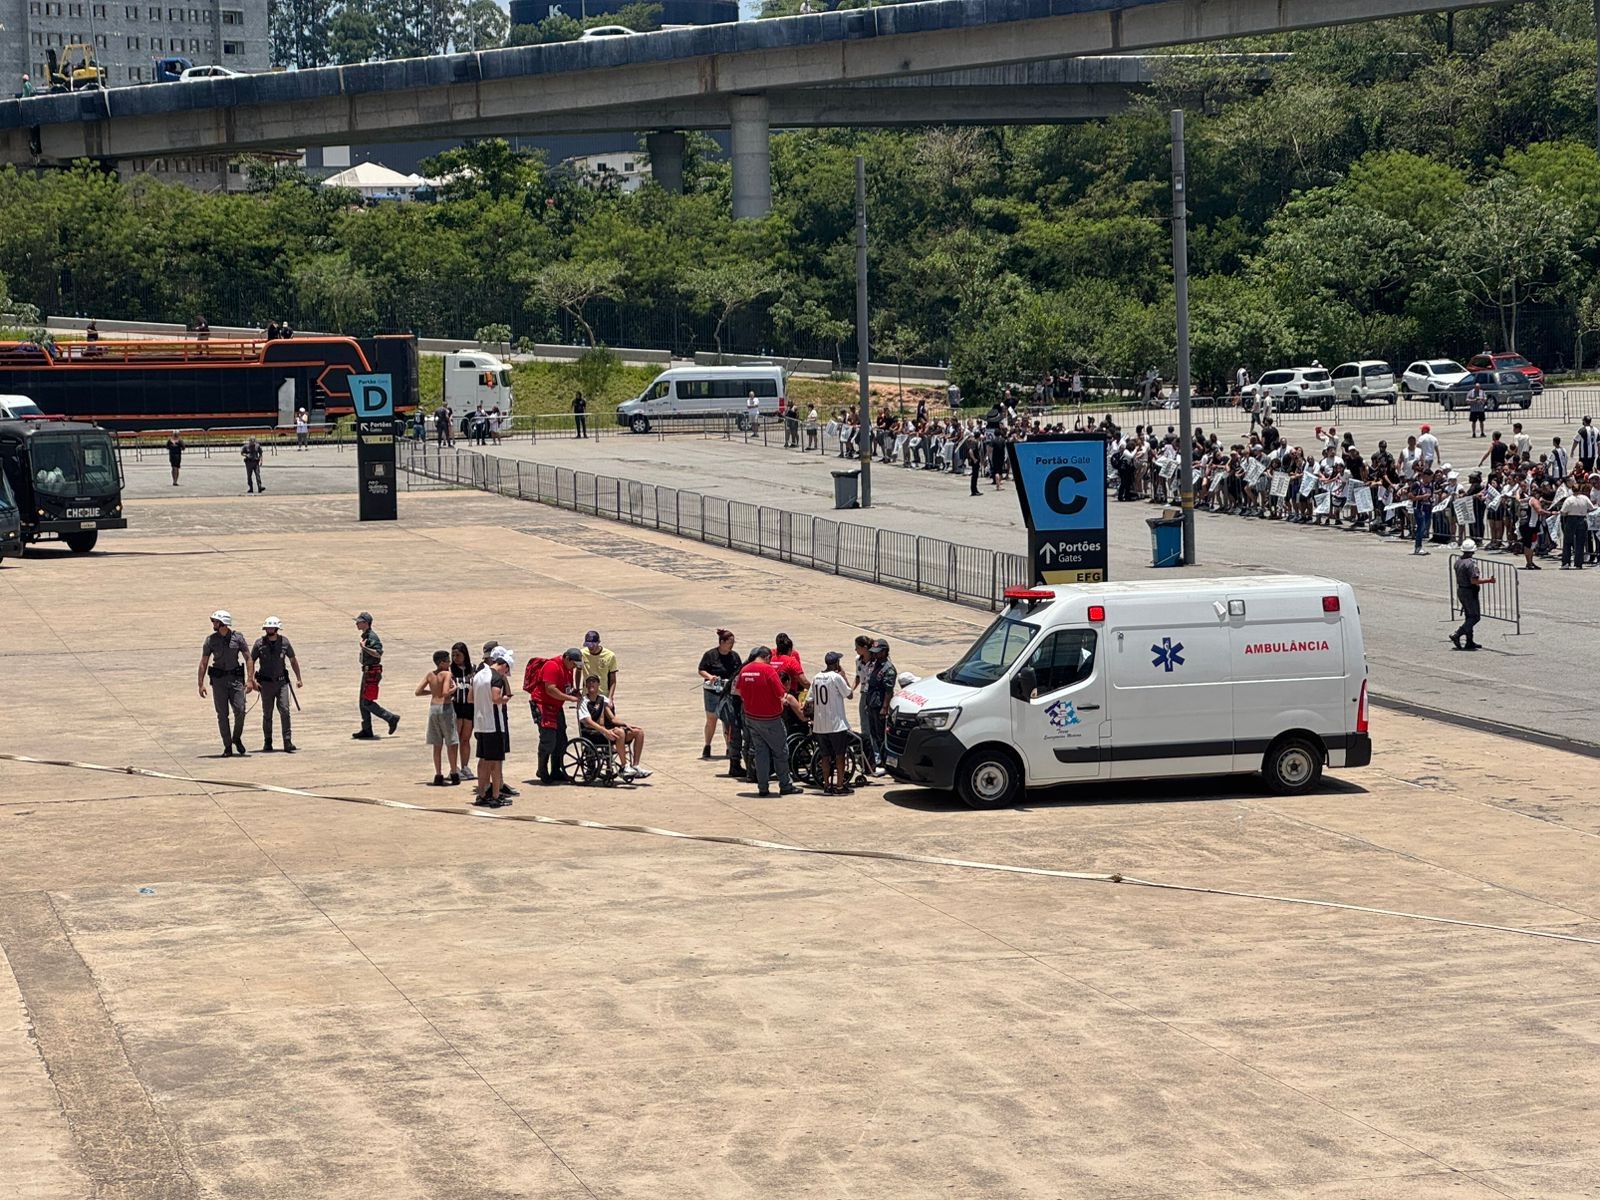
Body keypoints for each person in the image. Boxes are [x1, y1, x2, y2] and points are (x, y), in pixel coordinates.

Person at [735, 647, 798, 797]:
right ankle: (785, 785)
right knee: (780, 752)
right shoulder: (768, 671)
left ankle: (763, 787)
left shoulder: (745, 670)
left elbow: (738, 691)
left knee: (760, 752)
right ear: (767, 657)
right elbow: (780, 693)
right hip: (770, 719)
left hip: (751, 717)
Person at [198, 610, 255, 758]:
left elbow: (248, 658)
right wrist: (200, 683)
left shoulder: (238, 638)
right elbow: (204, 662)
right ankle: (227, 745)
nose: (213, 624)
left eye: (215, 621)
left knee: (240, 710)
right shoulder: (210, 640)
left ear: (223, 623)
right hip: (219, 681)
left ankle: (236, 737)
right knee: (222, 714)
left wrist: (250, 679)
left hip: (235, 680)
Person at [579, 675, 650, 779]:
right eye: (589, 682)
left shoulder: (602, 699)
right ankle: (623, 767)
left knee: (638, 732)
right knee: (619, 732)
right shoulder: (583, 702)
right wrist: (605, 731)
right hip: (593, 733)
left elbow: (612, 719)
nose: (591, 684)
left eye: (593, 682)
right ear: (585, 685)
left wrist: (625, 724)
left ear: (598, 685)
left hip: (605, 732)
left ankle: (635, 766)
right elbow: (589, 722)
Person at [252, 617, 302, 753]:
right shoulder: (259, 644)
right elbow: (251, 661)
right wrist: (251, 680)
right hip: (266, 684)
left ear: (276, 629)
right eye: (267, 628)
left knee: (285, 710)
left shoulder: (284, 642)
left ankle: (287, 741)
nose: (268, 630)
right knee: (267, 714)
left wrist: (298, 678)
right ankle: (267, 741)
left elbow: (293, 660)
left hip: (281, 683)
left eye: (271, 628)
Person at [472, 647, 514, 807]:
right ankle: (496, 796)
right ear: (504, 666)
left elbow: (471, 698)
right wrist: (505, 699)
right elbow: (496, 698)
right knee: (495, 762)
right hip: (493, 724)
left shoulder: (478, 675)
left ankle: (482, 794)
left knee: (483, 760)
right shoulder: (495, 677)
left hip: (480, 723)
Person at [810, 651, 855, 796]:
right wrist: (844, 677)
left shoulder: (816, 677)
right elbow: (849, 694)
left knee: (825, 756)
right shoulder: (836, 677)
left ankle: (826, 784)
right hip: (836, 725)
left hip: (820, 725)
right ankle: (840, 785)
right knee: (840, 755)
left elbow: (810, 698)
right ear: (836, 663)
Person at [535, 648, 582, 783]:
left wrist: (573, 692)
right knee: (548, 738)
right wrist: (569, 698)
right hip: (542, 704)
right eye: (573, 664)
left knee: (561, 738)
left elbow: (566, 686)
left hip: (556, 706)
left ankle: (556, 770)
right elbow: (550, 689)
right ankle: (542, 770)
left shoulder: (568, 668)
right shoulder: (552, 666)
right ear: (567, 659)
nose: (574, 667)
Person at [416, 650, 462, 786]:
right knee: (451, 743)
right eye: (448, 660)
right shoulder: (447, 674)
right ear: (442, 663)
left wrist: (432, 691)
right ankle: (454, 773)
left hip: (433, 709)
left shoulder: (430, 675)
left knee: (437, 745)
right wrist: (455, 689)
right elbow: (445, 692)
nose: (449, 663)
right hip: (445, 708)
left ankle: (438, 774)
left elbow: (418, 691)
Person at [353, 611, 400, 740]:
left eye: (359, 622)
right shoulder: (366, 635)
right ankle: (366, 729)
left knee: (367, 702)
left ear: (366, 623)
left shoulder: (372, 637)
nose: (357, 624)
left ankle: (391, 718)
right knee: (362, 702)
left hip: (372, 673)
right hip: (367, 672)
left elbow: (378, 653)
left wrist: (364, 648)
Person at [697, 628, 740, 762]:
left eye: (733, 643)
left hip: (727, 692)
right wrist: (710, 677)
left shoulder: (734, 656)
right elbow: (701, 670)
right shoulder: (710, 655)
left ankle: (729, 746)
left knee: (728, 720)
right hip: (712, 691)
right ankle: (707, 745)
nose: (731, 645)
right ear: (722, 642)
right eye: (729, 642)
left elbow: (739, 671)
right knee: (712, 719)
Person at [1450, 541, 1493, 651]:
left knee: (1469, 616)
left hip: (1461, 590)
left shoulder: (1458, 561)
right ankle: (1457, 634)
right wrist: (1489, 580)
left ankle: (1469, 641)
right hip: (1469, 592)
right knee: (1474, 617)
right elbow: (1474, 580)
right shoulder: (1470, 563)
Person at [862, 639, 897, 773]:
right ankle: (880, 760)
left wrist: (884, 708)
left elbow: (888, 690)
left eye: (878, 652)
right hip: (872, 704)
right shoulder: (875, 665)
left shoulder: (888, 669)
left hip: (880, 705)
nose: (875, 655)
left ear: (884, 652)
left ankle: (885, 762)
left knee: (882, 736)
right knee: (874, 734)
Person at [449, 642, 477, 781]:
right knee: (455, 739)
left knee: (465, 739)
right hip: (456, 707)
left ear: (465, 655)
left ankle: (465, 766)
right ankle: (454, 768)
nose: (455, 658)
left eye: (458, 655)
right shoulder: (450, 670)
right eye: (453, 655)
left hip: (469, 707)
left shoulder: (473, 669)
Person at [1559, 485, 1595, 570]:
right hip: (1582, 519)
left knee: (1568, 541)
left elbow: (1563, 512)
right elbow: (1592, 508)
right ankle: (1578, 563)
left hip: (1571, 519)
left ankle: (1566, 562)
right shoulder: (1585, 498)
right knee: (1580, 542)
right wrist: (1584, 511)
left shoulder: (1569, 499)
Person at [580, 630, 619, 701]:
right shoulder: (582, 654)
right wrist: (577, 689)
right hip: (587, 694)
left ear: (598, 642)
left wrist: (610, 697)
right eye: (588, 645)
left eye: (592, 645)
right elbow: (578, 670)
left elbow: (613, 680)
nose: (590, 648)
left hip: (603, 695)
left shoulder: (610, 655)